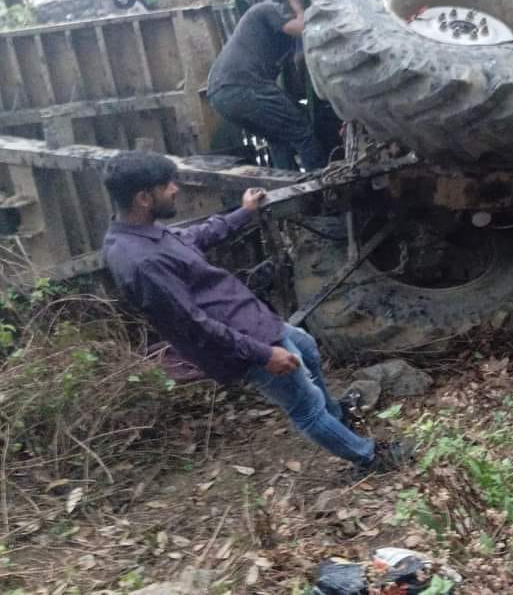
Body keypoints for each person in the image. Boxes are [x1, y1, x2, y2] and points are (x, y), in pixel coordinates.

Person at [102, 151, 410, 475]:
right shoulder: (140, 262)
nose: (176, 189)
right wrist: (264, 355)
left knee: (306, 348)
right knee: (305, 407)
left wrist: (243, 213)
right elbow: (195, 327)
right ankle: (371, 458)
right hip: (242, 344)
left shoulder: (145, 233)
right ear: (144, 197)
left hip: (251, 321)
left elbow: (195, 237)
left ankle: (336, 416)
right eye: (167, 186)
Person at [207, 0, 327, 171]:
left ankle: (291, 193)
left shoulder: (276, 34)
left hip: (222, 95)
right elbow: (303, 28)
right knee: (301, 131)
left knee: (278, 138)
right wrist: (295, 0)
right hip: (242, 87)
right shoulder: (266, 9)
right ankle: (326, 188)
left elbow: (299, 61)